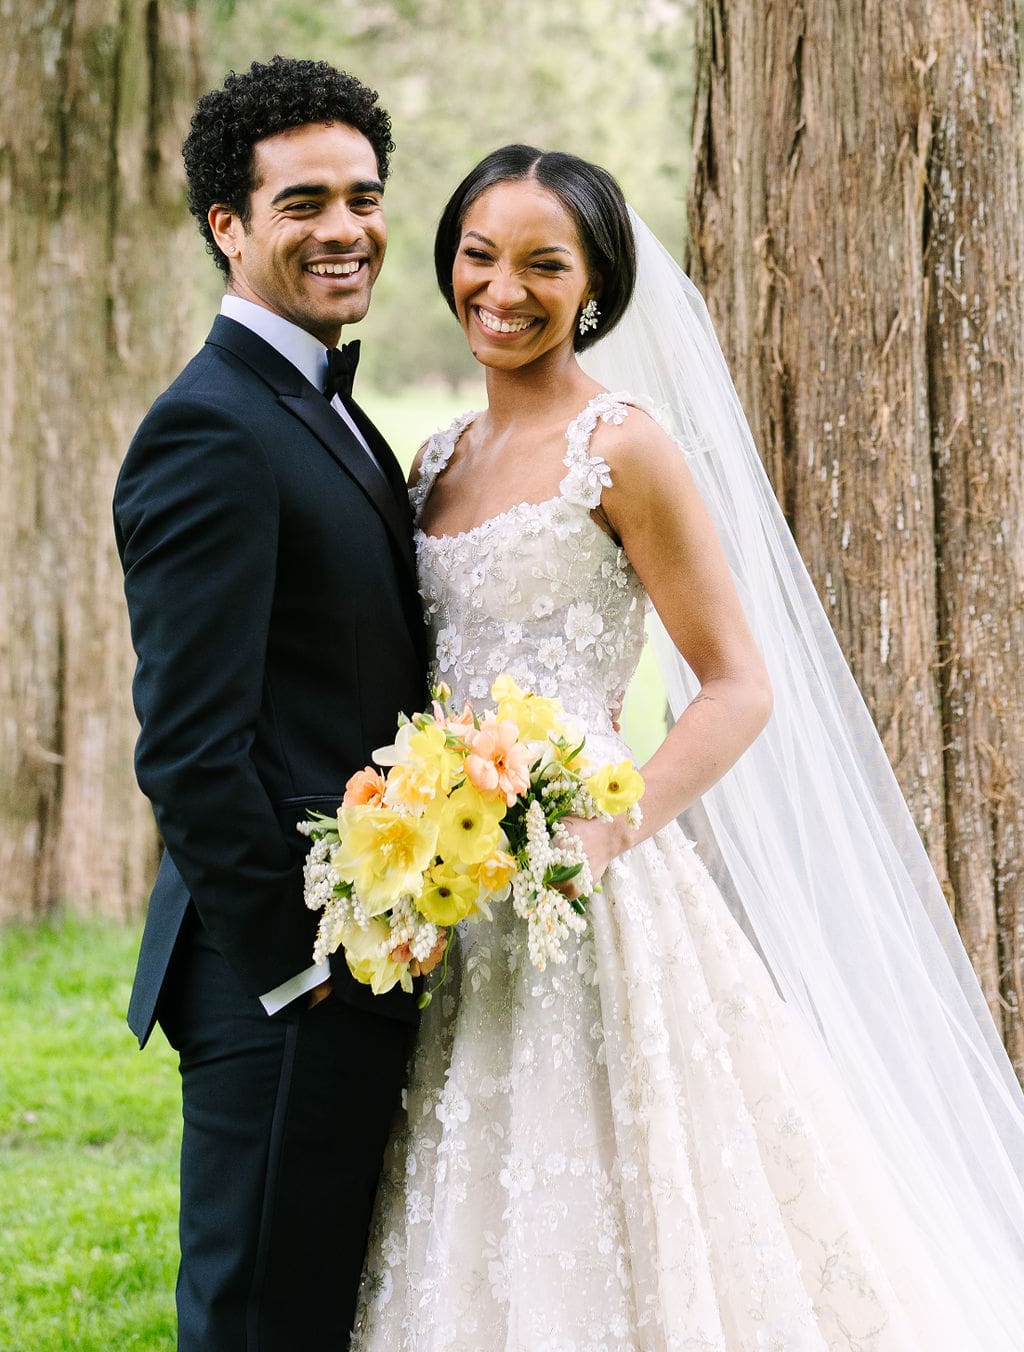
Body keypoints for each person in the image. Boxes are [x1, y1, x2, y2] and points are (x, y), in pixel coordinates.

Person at [350, 146, 1024, 1350]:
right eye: (479, 255)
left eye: (542, 264)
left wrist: (601, 830)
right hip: (457, 893)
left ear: (596, 285)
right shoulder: (435, 457)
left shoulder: (624, 447)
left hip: (590, 889)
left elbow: (735, 684)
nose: (502, 288)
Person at [113, 56, 430, 1351]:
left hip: (360, 952)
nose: (344, 228)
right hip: (284, 972)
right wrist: (307, 973)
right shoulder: (212, 429)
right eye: (303, 202)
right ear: (227, 226)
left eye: (362, 195)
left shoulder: (325, 408)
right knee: (257, 1322)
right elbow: (188, 752)